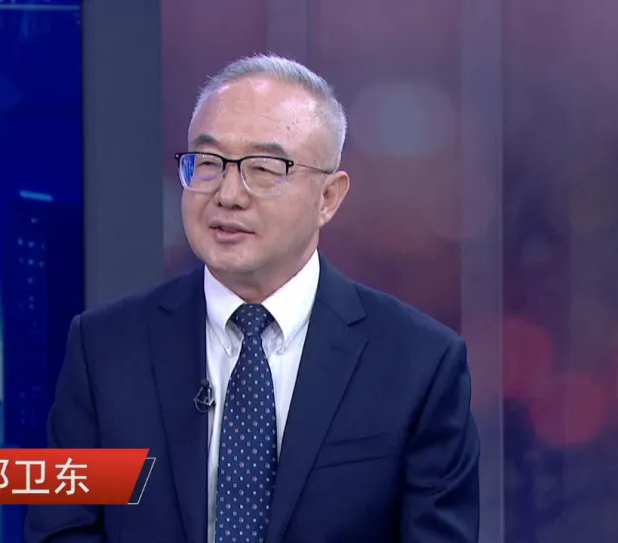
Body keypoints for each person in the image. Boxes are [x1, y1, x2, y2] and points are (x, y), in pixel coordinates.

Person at [25, 54, 479, 543]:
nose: (228, 194)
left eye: (263, 169)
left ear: (328, 197)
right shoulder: (105, 349)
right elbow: (62, 531)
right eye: (208, 163)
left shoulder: (418, 364)